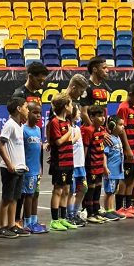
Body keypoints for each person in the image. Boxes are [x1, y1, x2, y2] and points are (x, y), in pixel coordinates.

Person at [12, 62, 49, 228]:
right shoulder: (19, 93)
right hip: (23, 144)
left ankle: (26, 219)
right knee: (22, 187)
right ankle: (17, 219)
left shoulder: (38, 95)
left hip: (35, 143)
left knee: (32, 187)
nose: (42, 82)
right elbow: (15, 119)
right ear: (30, 76)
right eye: (39, 78)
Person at [0, 97, 30, 238]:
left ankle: (11, 225)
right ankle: (1, 226)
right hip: (9, 168)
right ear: (18, 108)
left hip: (19, 168)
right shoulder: (10, 124)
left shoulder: (20, 125)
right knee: (7, 198)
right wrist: (9, 164)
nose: (27, 110)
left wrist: (23, 164)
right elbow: (0, 145)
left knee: (15, 197)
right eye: (26, 107)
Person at [48, 93, 77, 231]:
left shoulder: (67, 122)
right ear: (65, 106)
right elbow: (59, 141)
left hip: (68, 161)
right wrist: (70, 132)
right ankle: (54, 220)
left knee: (66, 190)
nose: (72, 107)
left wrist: (71, 132)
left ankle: (63, 218)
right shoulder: (55, 122)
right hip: (59, 162)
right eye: (70, 104)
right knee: (58, 190)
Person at [116, 84, 134, 213]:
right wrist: (127, 148)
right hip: (128, 149)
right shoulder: (123, 108)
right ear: (130, 94)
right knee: (125, 178)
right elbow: (121, 130)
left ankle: (128, 206)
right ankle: (119, 207)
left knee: (133, 179)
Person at [21, 101, 47, 233]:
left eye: (40, 113)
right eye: (35, 112)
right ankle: (27, 222)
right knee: (28, 196)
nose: (38, 116)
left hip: (36, 169)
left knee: (36, 194)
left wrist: (41, 167)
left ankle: (34, 220)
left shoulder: (38, 130)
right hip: (28, 170)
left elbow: (39, 151)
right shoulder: (23, 129)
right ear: (28, 113)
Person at [81, 105, 109, 224]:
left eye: (102, 116)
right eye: (99, 116)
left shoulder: (103, 130)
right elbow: (85, 149)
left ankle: (96, 210)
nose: (102, 118)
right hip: (91, 164)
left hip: (99, 164)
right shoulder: (88, 130)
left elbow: (102, 148)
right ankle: (89, 212)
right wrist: (83, 165)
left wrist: (103, 165)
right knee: (91, 188)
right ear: (91, 117)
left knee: (98, 186)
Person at [102, 115, 125, 221]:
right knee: (109, 191)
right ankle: (108, 210)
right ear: (113, 125)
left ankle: (112, 209)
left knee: (113, 190)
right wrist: (105, 167)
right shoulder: (109, 139)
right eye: (120, 125)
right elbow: (105, 154)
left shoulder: (118, 138)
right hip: (111, 169)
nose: (123, 127)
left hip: (117, 170)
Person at [67, 106, 87, 227]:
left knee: (83, 188)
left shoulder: (77, 128)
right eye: (78, 110)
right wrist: (75, 137)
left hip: (80, 165)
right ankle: (70, 215)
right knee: (71, 192)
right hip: (72, 165)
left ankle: (75, 212)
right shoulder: (68, 128)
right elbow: (66, 143)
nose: (80, 112)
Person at [80, 57, 111, 126]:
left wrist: (105, 128)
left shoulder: (104, 86)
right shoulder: (86, 87)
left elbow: (105, 109)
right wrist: (94, 129)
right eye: (104, 68)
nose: (107, 70)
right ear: (95, 69)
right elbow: (83, 113)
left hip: (102, 130)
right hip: (90, 131)